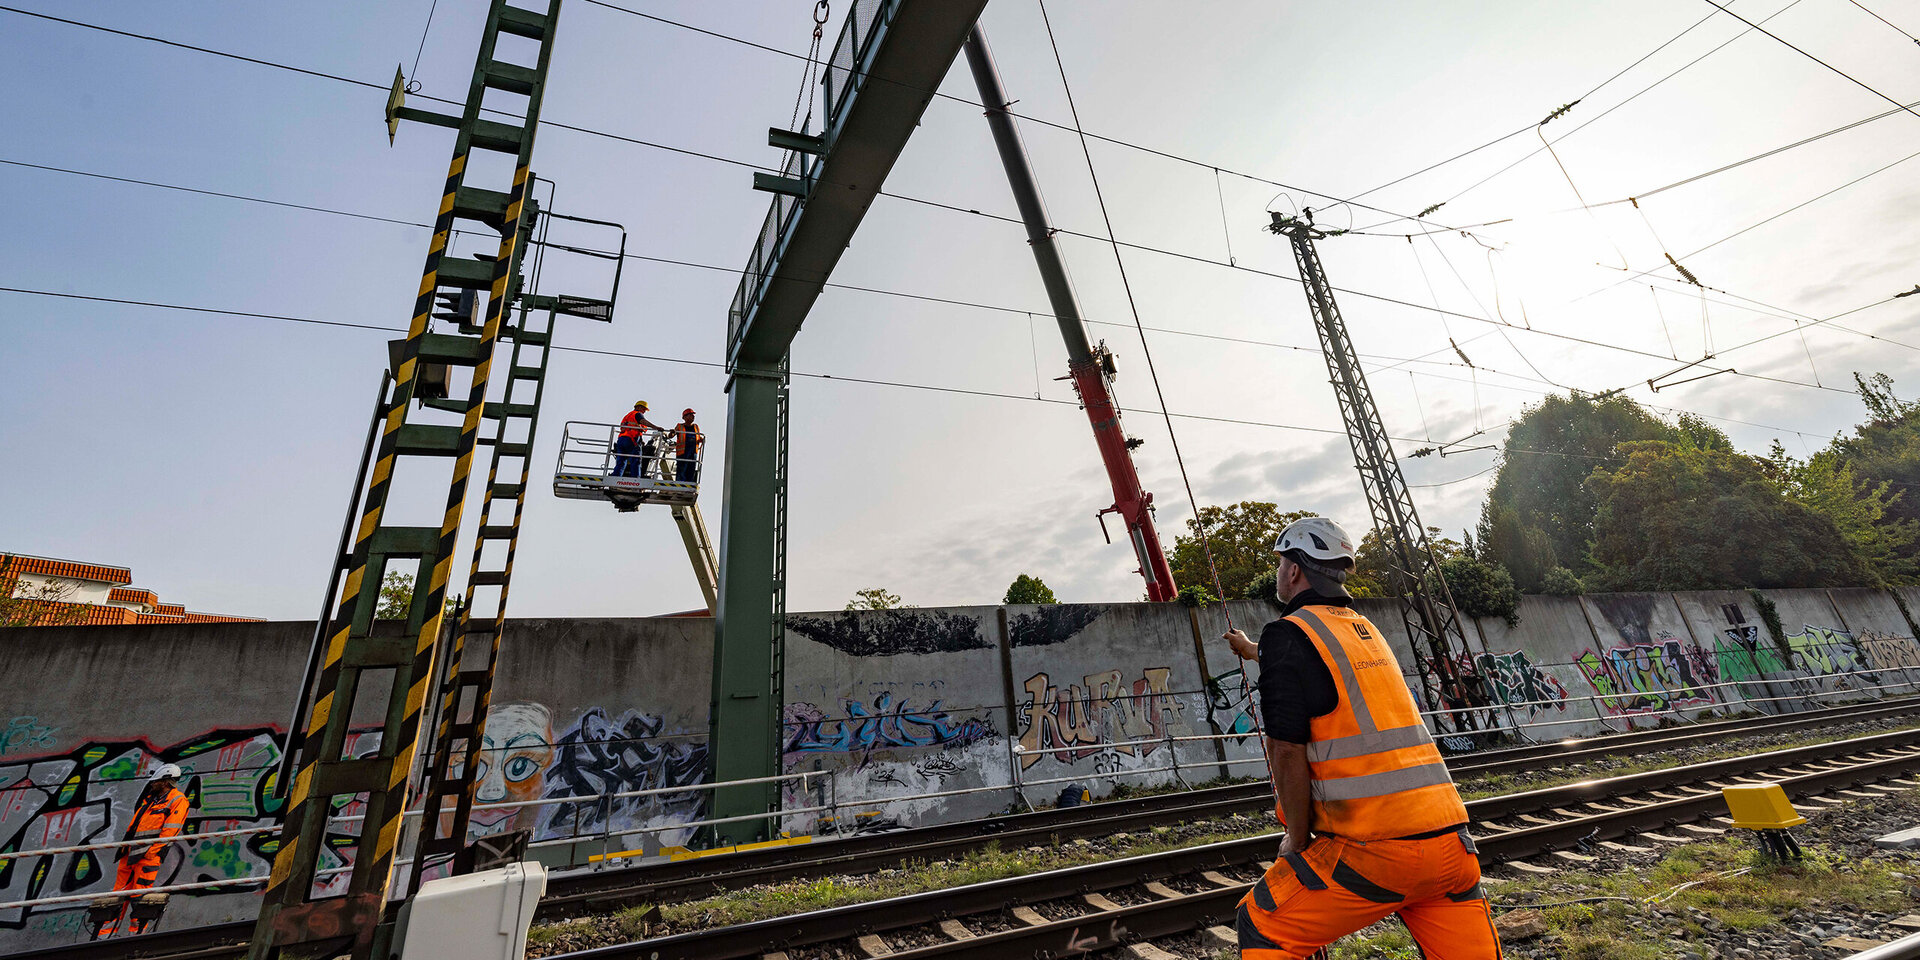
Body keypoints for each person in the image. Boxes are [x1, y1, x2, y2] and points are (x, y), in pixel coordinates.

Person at [1221, 517, 1498, 960]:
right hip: (1452, 848)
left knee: (1263, 925)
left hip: (1379, 854)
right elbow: (1313, 666)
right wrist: (1253, 650)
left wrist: (1296, 838)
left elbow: (1286, 750)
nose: (1278, 572)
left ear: (1294, 569)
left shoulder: (1289, 633)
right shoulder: (1362, 630)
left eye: (1279, 563)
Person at [97, 763, 189, 938]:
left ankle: (136, 936)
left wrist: (152, 853)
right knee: (118, 895)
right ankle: (105, 936)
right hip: (129, 853)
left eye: (155, 781)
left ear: (166, 781)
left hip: (147, 857)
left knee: (140, 897)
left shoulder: (178, 800)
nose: (151, 784)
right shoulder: (151, 799)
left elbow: (170, 830)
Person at [614, 400, 660, 479]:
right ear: (638, 407)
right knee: (636, 461)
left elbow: (629, 427)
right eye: (644, 409)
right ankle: (636, 480)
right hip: (631, 440)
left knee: (621, 462)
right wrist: (656, 427)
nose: (644, 411)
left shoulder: (627, 415)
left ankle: (615, 479)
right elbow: (643, 422)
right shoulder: (637, 414)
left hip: (621, 439)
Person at [671, 409, 704, 483]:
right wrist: (672, 433)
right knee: (682, 470)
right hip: (683, 452)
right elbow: (671, 435)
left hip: (693, 453)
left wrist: (701, 439)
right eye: (691, 415)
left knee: (691, 469)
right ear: (684, 417)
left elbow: (697, 437)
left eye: (693, 415)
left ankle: (689, 484)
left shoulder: (696, 427)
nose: (693, 416)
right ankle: (680, 484)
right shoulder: (680, 426)